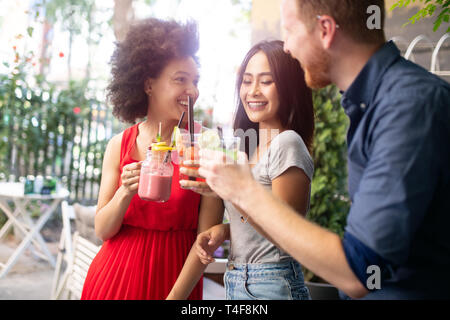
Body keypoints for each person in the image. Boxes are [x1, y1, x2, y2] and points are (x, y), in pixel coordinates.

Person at [198, 0, 450, 299]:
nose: (288, 48)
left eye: (290, 31)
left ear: (325, 30)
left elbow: (360, 271)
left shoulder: (407, 105)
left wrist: (241, 190)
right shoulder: (370, 105)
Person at [81, 18, 224, 300]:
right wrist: (125, 191)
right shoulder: (119, 145)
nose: (192, 91)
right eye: (180, 79)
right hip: (113, 280)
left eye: (194, 81)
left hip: (175, 283)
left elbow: (205, 241)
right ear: (149, 84)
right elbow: (103, 230)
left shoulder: (205, 145)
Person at [171, 40, 314, 300]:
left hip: (272, 283)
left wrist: (234, 191)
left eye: (266, 81)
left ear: (289, 87)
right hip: (237, 280)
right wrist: (225, 231)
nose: (253, 91)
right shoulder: (245, 151)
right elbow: (255, 224)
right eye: (247, 81)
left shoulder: (287, 142)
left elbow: (286, 233)